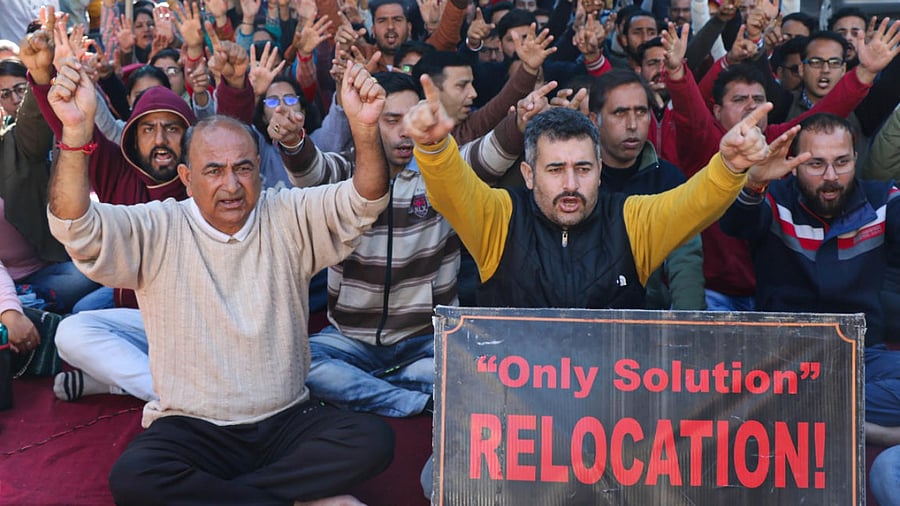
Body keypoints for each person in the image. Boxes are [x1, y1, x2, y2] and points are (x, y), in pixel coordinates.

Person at [46, 50, 394, 505]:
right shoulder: (157, 224)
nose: (231, 185)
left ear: (258, 169)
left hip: (285, 417)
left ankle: (235, 497)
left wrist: (365, 129)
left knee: (372, 439)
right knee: (135, 478)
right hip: (193, 426)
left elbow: (363, 201)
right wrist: (75, 133)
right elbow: (74, 225)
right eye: (214, 171)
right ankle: (293, 494)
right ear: (187, 178)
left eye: (243, 168)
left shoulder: (284, 212)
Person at [284, 71, 524, 417]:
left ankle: (373, 386)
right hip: (350, 339)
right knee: (298, 365)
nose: (402, 131)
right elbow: (311, 172)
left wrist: (521, 121)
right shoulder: (347, 172)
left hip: (426, 340)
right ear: (370, 122)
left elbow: (489, 156)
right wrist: (294, 143)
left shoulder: (444, 174)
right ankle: (411, 397)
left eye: (410, 119)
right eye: (391, 120)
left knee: (485, 371)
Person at [720, 113, 900, 444]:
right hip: (780, 360)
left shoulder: (882, 200)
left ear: (856, 158)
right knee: (722, 390)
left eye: (842, 162)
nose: (831, 176)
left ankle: (810, 414)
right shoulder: (774, 198)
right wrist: (754, 183)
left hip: (860, 357)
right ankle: (856, 426)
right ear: (794, 164)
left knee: (770, 407)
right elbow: (735, 224)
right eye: (816, 164)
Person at [590, 70, 705, 310]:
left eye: (641, 112)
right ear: (594, 120)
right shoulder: (576, 179)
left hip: (648, 317)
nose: (632, 125)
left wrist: (690, 327)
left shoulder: (668, 179)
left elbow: (685, 261)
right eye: (619, 113)